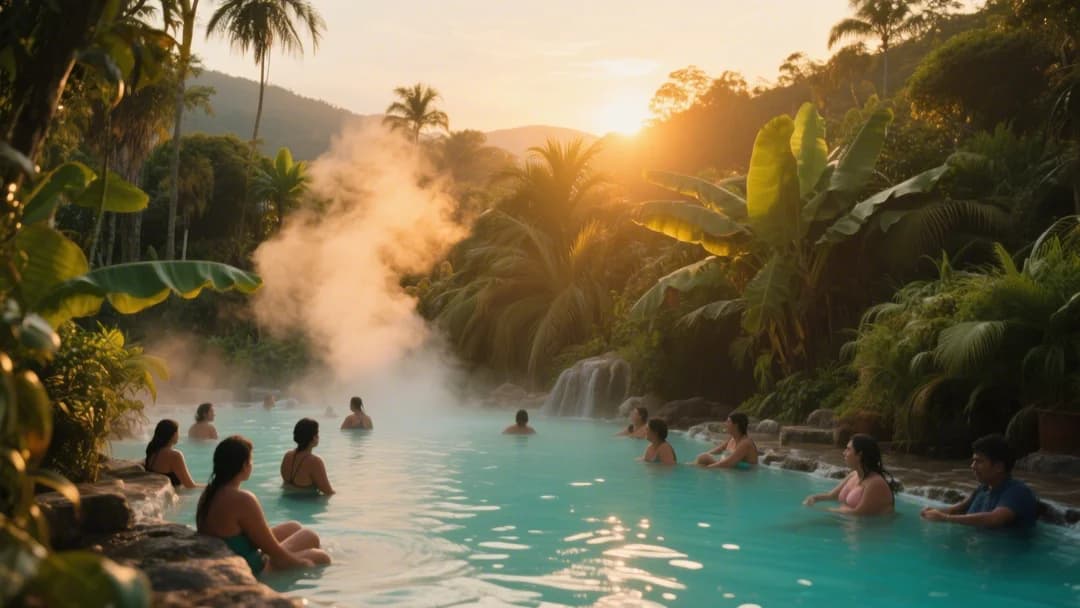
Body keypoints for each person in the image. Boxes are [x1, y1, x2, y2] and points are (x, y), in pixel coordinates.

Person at [197, 436, 331, 575]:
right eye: (251, 460)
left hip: (226, 558)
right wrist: (301, 563)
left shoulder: (208, 493)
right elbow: (275, 554)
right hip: (248, 568)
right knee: (317, 549)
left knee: (294, 527)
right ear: (244, 465)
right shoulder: (243, 499)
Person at [921, 434, 1039, 528]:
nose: (972, 466)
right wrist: (933, 511)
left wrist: (944, 518)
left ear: (998, 467)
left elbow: (995, 519)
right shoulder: (983, 488)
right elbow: (955, 510)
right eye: (973, 461)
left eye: (979, 461)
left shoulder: (1018, 491)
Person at [803, 434, 896, 516]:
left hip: (869, 531)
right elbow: (831, 496)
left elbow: (858, 514)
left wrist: (820, 510)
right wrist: (814, 498)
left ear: (860, 454)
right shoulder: (854, 475)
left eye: (848, 449)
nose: (844, 453)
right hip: (849, 524)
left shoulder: (875, 483)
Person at [280, 418, 335, 495]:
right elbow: (328, 492)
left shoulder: (287, 456)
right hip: (307, 503)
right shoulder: (315, 462)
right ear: (313, 437)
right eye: (317, 434)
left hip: (286, 501)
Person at [145, 419, 200, 489]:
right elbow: (190, 486)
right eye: (177, 432)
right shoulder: (174, 455)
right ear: (172, 435)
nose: (178, 435)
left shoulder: (153, 452)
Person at [694, 413, 758, 469]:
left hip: (745, 475)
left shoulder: (745, 443)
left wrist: (706, 469)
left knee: (704, 458)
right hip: (734, 470)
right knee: (703, 457)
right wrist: (700, 459)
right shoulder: (732, 439)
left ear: (736, 425)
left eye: (728, 422)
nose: (725, 424)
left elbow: (728, 463)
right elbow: (718, 450)